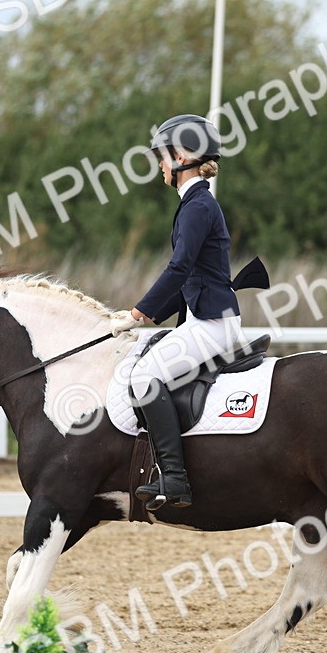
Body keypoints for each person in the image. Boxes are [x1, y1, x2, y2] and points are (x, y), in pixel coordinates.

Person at [108, 114, 244, 510]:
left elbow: (179, 268)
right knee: (141, 352)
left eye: (163, 157)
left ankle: (175, 478)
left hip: (212, 324)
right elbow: (188, 280)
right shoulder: (195, 204)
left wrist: (137, 313)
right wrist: (143, 321)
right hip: (205, 317)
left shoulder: (198, 206)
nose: (160, 166)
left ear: (184, 156)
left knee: (147, 375)